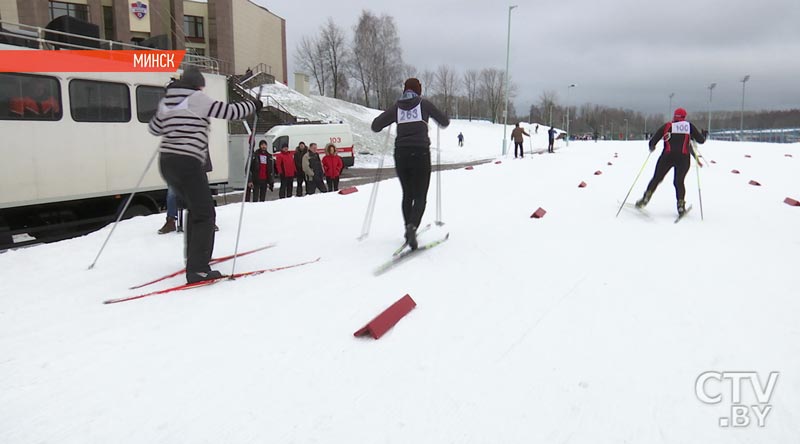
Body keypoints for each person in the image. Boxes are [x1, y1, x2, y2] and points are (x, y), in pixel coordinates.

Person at [148, 67, 259, 283]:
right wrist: (253, 105)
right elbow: (229, 112)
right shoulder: (195, 97)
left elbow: (154, 128)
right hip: (188, 161)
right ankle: (198, 269)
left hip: (167, 163)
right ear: (196, 85)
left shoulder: (167, 101)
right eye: (201, 86)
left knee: (195, 209)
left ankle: (193, 259)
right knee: (205, 213)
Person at [371, 77, 450, 250]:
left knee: (407, 194)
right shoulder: (424, 104)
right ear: (418, 90)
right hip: (420, 153)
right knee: (420, 195)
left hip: (401, 154)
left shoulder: (396, 108)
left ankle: (408, 228)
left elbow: (375, 126)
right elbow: (444, 122)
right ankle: (412, 227)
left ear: (404, 90)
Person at [634, 107, 706, 216]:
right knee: (678, 182)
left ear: (674, 116)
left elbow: (653, 140)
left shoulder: (667, 126)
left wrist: (652, 147)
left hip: (667, 157)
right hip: (683, 158)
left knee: (657, 178)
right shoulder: (688, 126)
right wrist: (704, 134)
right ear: (684, 117)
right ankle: (681, 205)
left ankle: (645, 198)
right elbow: (701, 140)